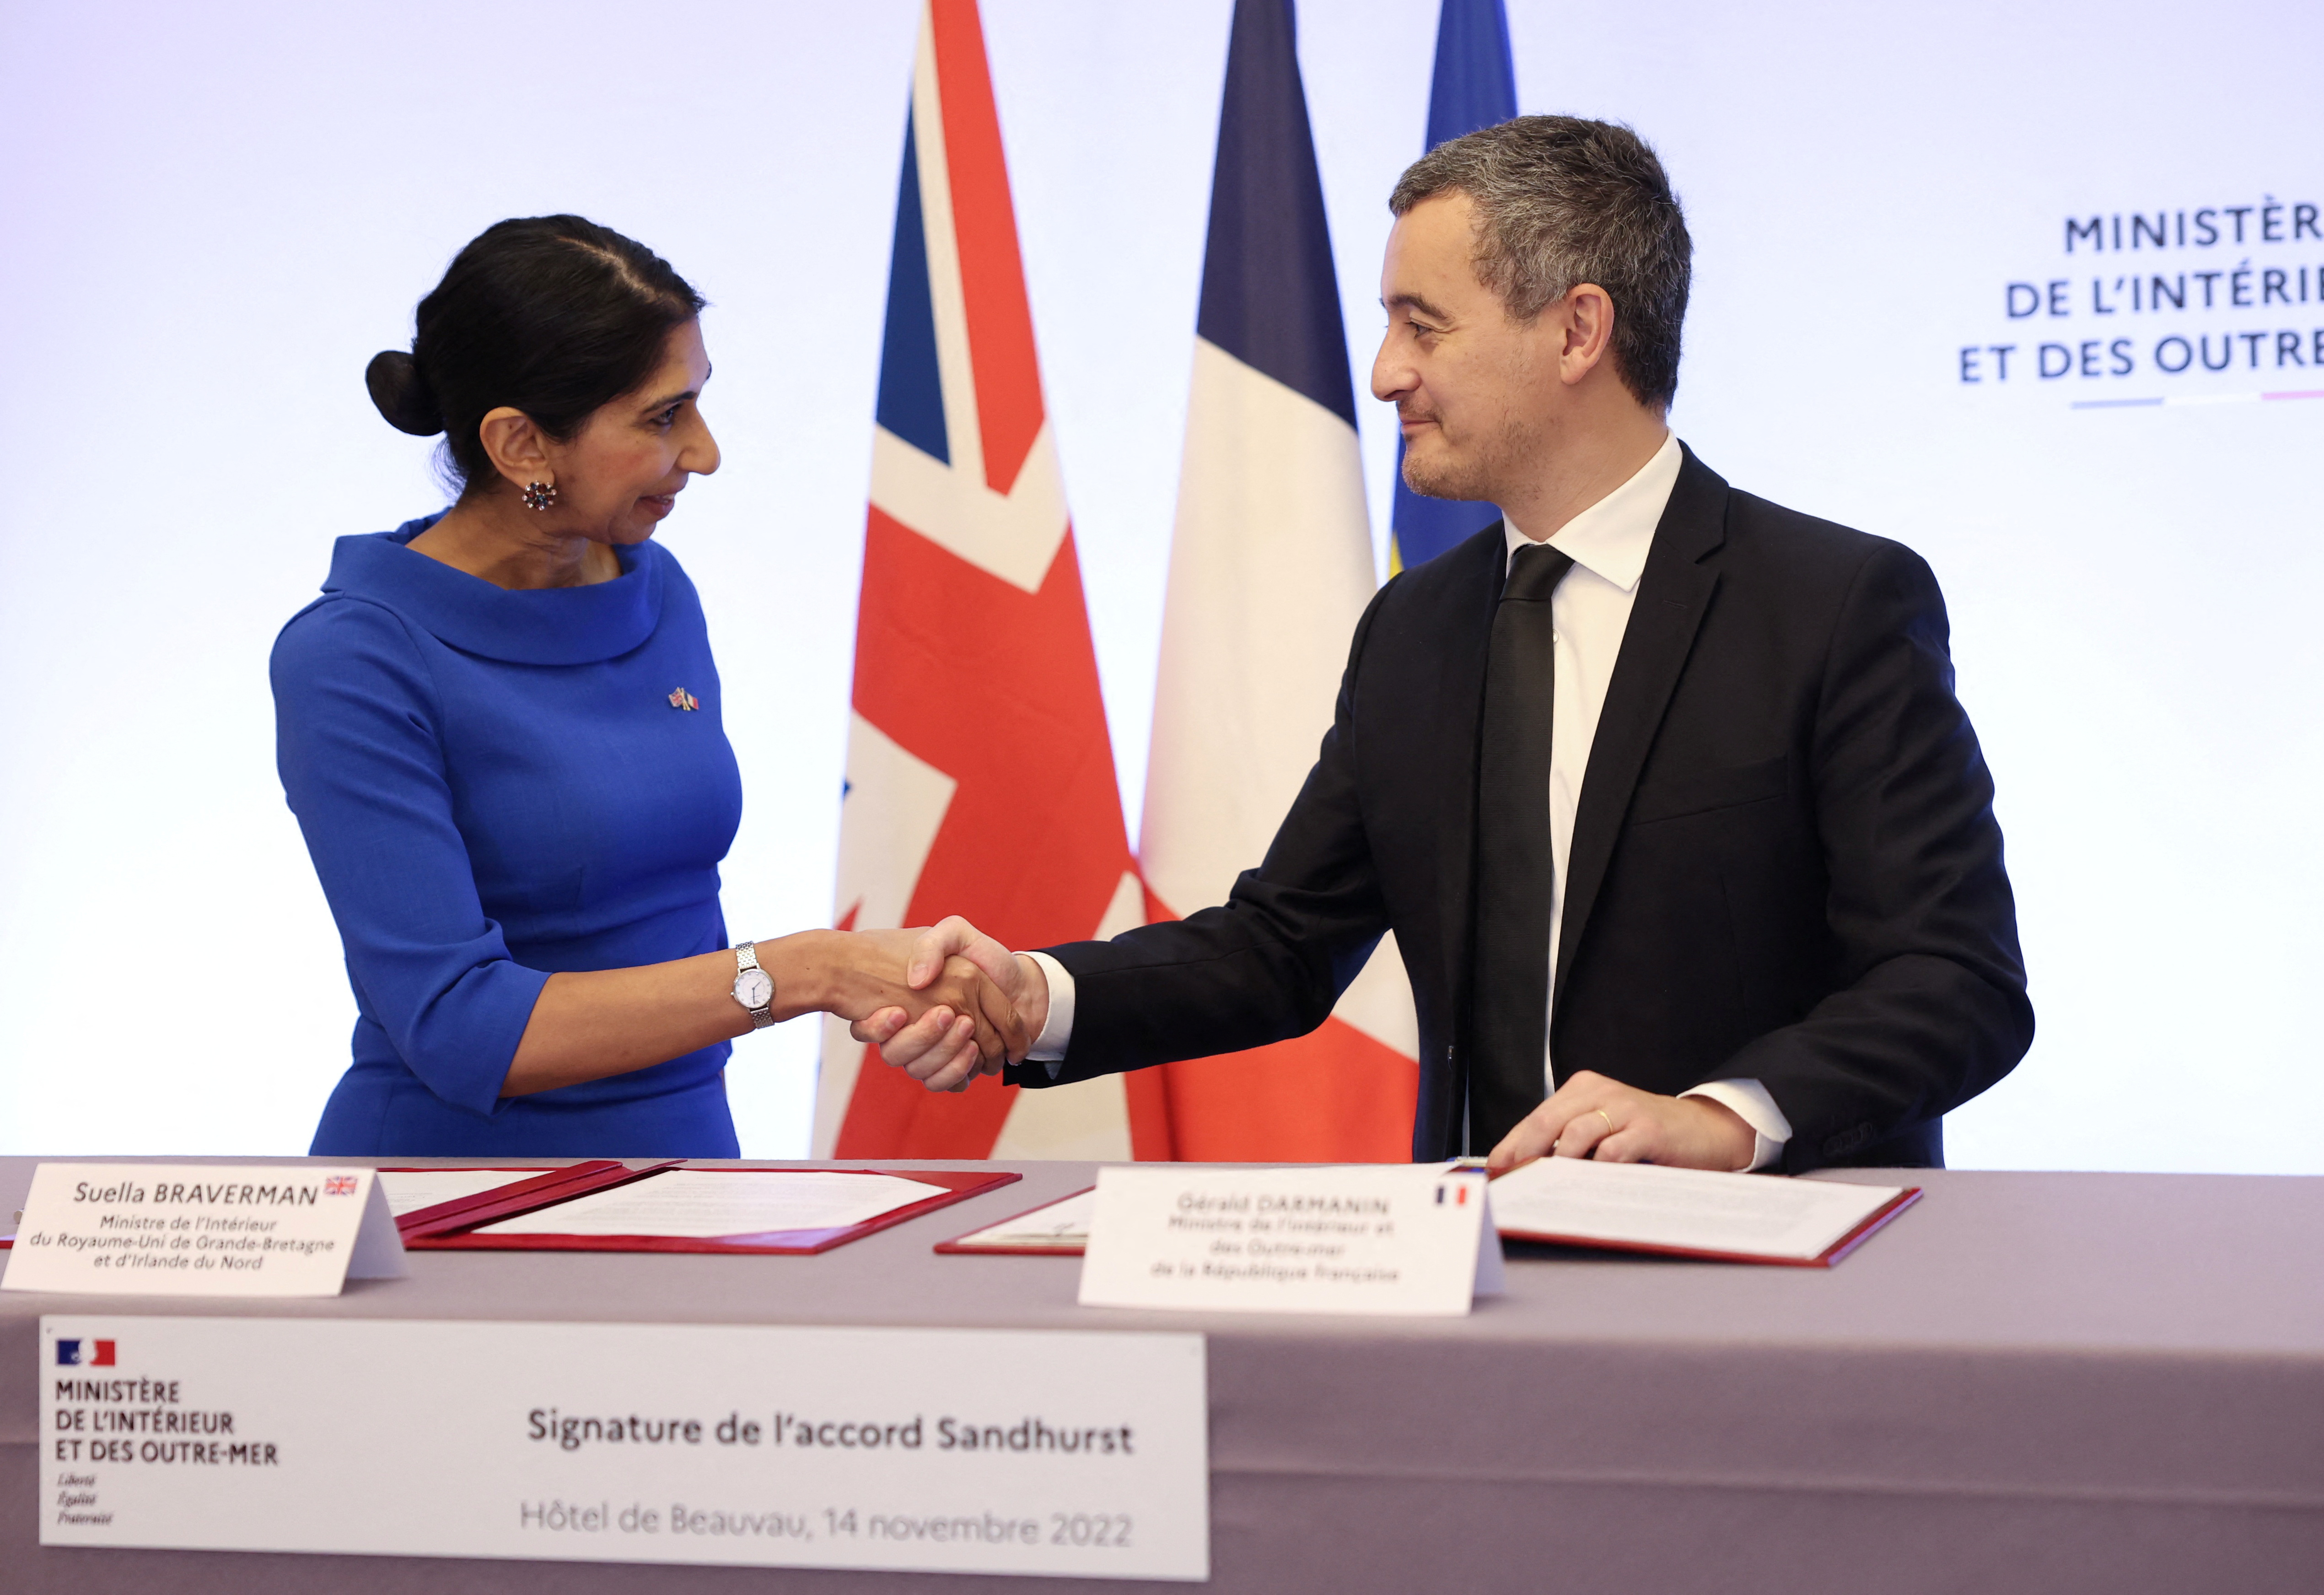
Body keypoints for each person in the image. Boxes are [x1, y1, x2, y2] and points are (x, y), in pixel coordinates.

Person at [862, 118, 2031, 1173]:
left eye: (1422, 326)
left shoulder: (1833, 603)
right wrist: (1039, 993)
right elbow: (1280, 945)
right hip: (1478, 1291)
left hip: (1778, 1296)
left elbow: (1954, 980)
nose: (1386, 375)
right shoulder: (1413, 627)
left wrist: (1725, 1116)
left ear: (1578, 330)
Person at [274, 216, 1020, 1158]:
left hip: (689, 1158)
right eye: (663, 416)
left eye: (697, 404)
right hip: (453, 1194)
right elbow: (463, 1025)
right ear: (521, 445)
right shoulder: (354, 658)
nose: (705, 451)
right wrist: (810, 971)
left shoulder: (653, 589)